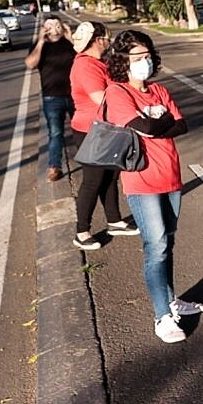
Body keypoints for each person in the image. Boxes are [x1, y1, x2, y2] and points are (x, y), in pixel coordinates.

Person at [100, 29, 203, 344]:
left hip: (170, 176)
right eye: (136, 57)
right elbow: (143, 126)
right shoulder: (118, 93)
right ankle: (162, 316)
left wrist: (155, 126)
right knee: (155, 246)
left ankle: (171, 300)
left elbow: (182, 124)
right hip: (140, 179)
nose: (144, 62)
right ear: (122, 61)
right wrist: (160, 124)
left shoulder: (158, 89)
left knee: (167, 242)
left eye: (147, 55)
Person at [69, 21, 139, 250]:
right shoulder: (85, 66)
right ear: (97, 40)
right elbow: (100, 97)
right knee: (93, 181)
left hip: (106, 128)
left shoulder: (98, 62)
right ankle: (82, 231)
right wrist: (130, 107)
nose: (108, 43)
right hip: (92, 130)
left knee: (110, 177)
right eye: (106, 39)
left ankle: (114, 219)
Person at [25, 16, 77, 182]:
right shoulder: (40, 46)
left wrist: (70, 36)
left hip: (75, 94)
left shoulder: (69, 43)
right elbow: (31, 64)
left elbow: (83, 56)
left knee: (81, 130)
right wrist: (40, 40)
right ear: (44, 28)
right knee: (55, 133)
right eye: (49, 25)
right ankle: (55, 167)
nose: (53, 28)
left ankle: (92, 161)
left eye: (57, 24)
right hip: (52, 97)